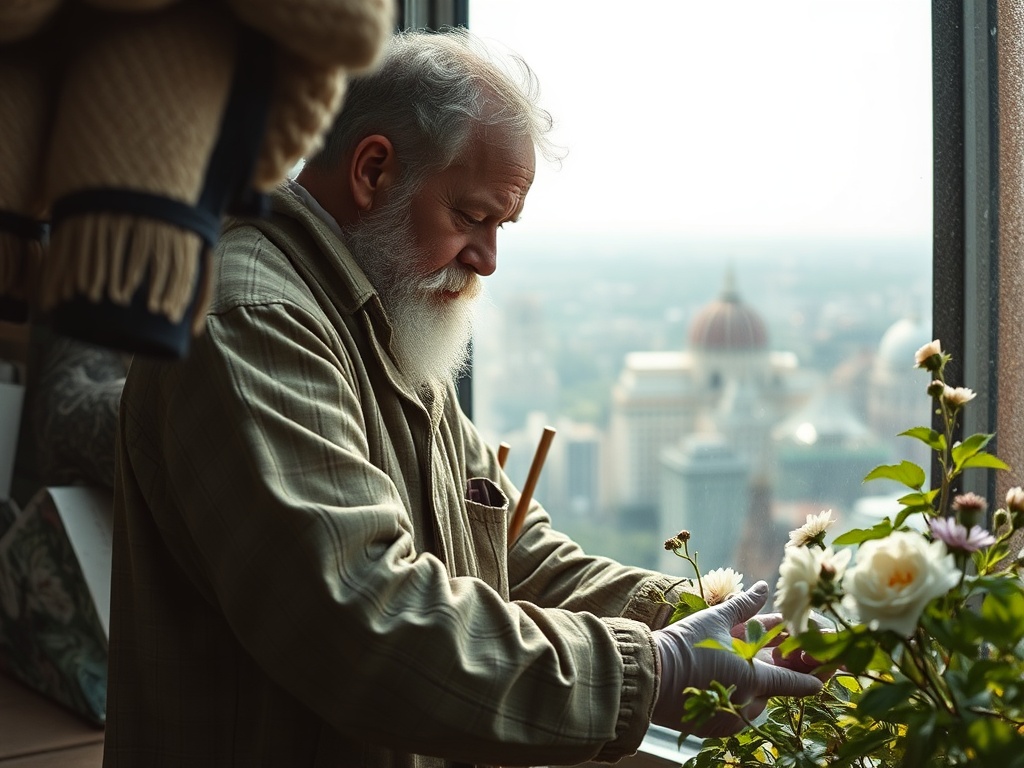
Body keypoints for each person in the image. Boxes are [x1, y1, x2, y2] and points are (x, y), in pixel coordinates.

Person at [103, 28, 821, 767]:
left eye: (501, 226)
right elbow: (363, 619)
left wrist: (700, 616)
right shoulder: (254, 319)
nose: (488, 259)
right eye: (472, 217)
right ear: (373, 170)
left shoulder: (379, 313)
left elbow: (514, 550)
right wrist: (653, 670)